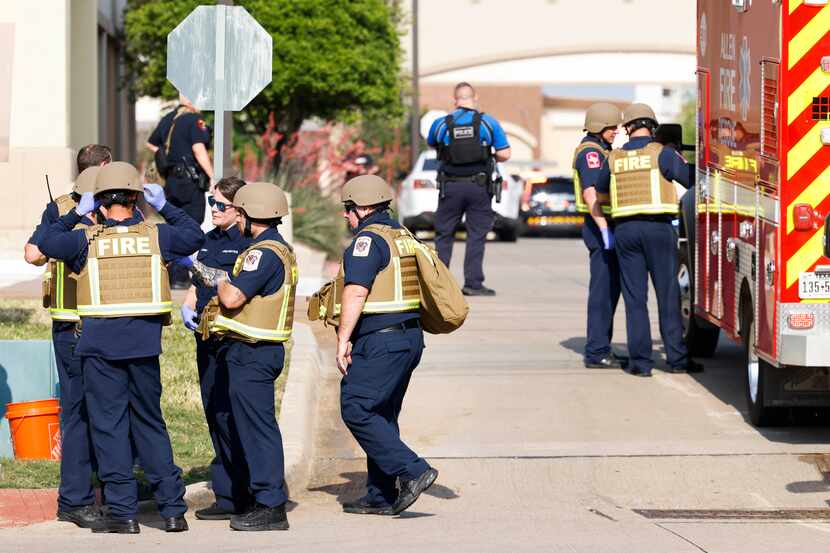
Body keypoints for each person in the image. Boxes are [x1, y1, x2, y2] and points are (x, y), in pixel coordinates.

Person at [40, 161, 204, 533]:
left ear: (97, 202)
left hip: (99, 349)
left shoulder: (85, 240)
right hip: (144, 348)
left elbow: (45, 243)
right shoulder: (157, 236)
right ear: (136, 197)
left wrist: (72, 215)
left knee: (110, 428)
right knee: (150, 424)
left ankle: (124, 513)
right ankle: (173, 511)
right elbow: (195, 236)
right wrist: (165, 206)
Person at [335, 174, 438, 516]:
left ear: (363, 208)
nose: (346, 216)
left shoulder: (367, 241)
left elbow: (356, 291)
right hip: (408, 337)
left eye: (348, 209)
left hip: (382, 339)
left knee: (356, 407)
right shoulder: (401, 235)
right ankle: (380, 494)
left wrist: (343, 339)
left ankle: (412, 470)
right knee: (382, 413)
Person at [198, 181, 297, 531]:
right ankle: (257, 498)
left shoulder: (263, 252)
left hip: (252, 353)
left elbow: (234, 298)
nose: (235, 218)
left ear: (249, 215)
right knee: (252, 427)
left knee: (257, 431)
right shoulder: (273, 247)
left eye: (238, 212)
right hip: (255, 351)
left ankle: (270, 505)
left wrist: (217, 279)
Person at [23, 144, 111, 529]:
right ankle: (76, 498)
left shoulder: (119, 202)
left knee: (105, 410)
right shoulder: (61, 208)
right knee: (79, 412)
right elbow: (32, 253)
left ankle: (114, 489)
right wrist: (73, 219)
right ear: (104, 167)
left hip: (108, 320)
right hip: (76, 324)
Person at [595, 103, 703, 377]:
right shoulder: (662, 154)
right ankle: (677, 360)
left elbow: (599, 189)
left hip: (626, 232)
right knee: (668, 296)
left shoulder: (615, 158)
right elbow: (692, 180)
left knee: (635, 300)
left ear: (628, 128)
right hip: (658, 230)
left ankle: (641, 364)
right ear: (652, 126)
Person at [179, 176, 253, 520]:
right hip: (205, 338)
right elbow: (197, 281)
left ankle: (247, 493)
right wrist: (188, 304)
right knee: (215, 414)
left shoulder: (247, 244)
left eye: (221, 205)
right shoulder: (208, 240)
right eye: (211, 203)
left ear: (240, 210)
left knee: (233, 414)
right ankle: (226, 495)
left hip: (232, 338)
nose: (214, 210)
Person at [427, 82, 511, 296]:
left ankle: (439, 285)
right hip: (479, 187)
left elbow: (432, 143)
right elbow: (505, 154)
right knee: (476, 235)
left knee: (444, 235)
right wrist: (487, 153)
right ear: (475, 98)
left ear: (455, 100)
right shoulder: (487, 123)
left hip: (450, 186)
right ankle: (473, 284)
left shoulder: (441, 124)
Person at [573, 103, 624, 369]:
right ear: (598, 126)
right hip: (599, 227)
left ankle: (603, 346)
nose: (616, 131)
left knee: (610, 291)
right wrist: (605, 229)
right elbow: (590, 193)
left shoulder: (602, 150)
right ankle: (596, 351)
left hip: (604, 226)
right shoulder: (591, 153)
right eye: (612, 127)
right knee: (602, 292)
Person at [146, 94, 213, 224]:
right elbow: (198, 149)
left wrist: (164, 155)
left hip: (170, 182)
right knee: (193, 225)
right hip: (190, 182)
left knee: (175, 224)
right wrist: (212, 176)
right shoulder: (194, 119)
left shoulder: (168, 118)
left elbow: (151, 143)